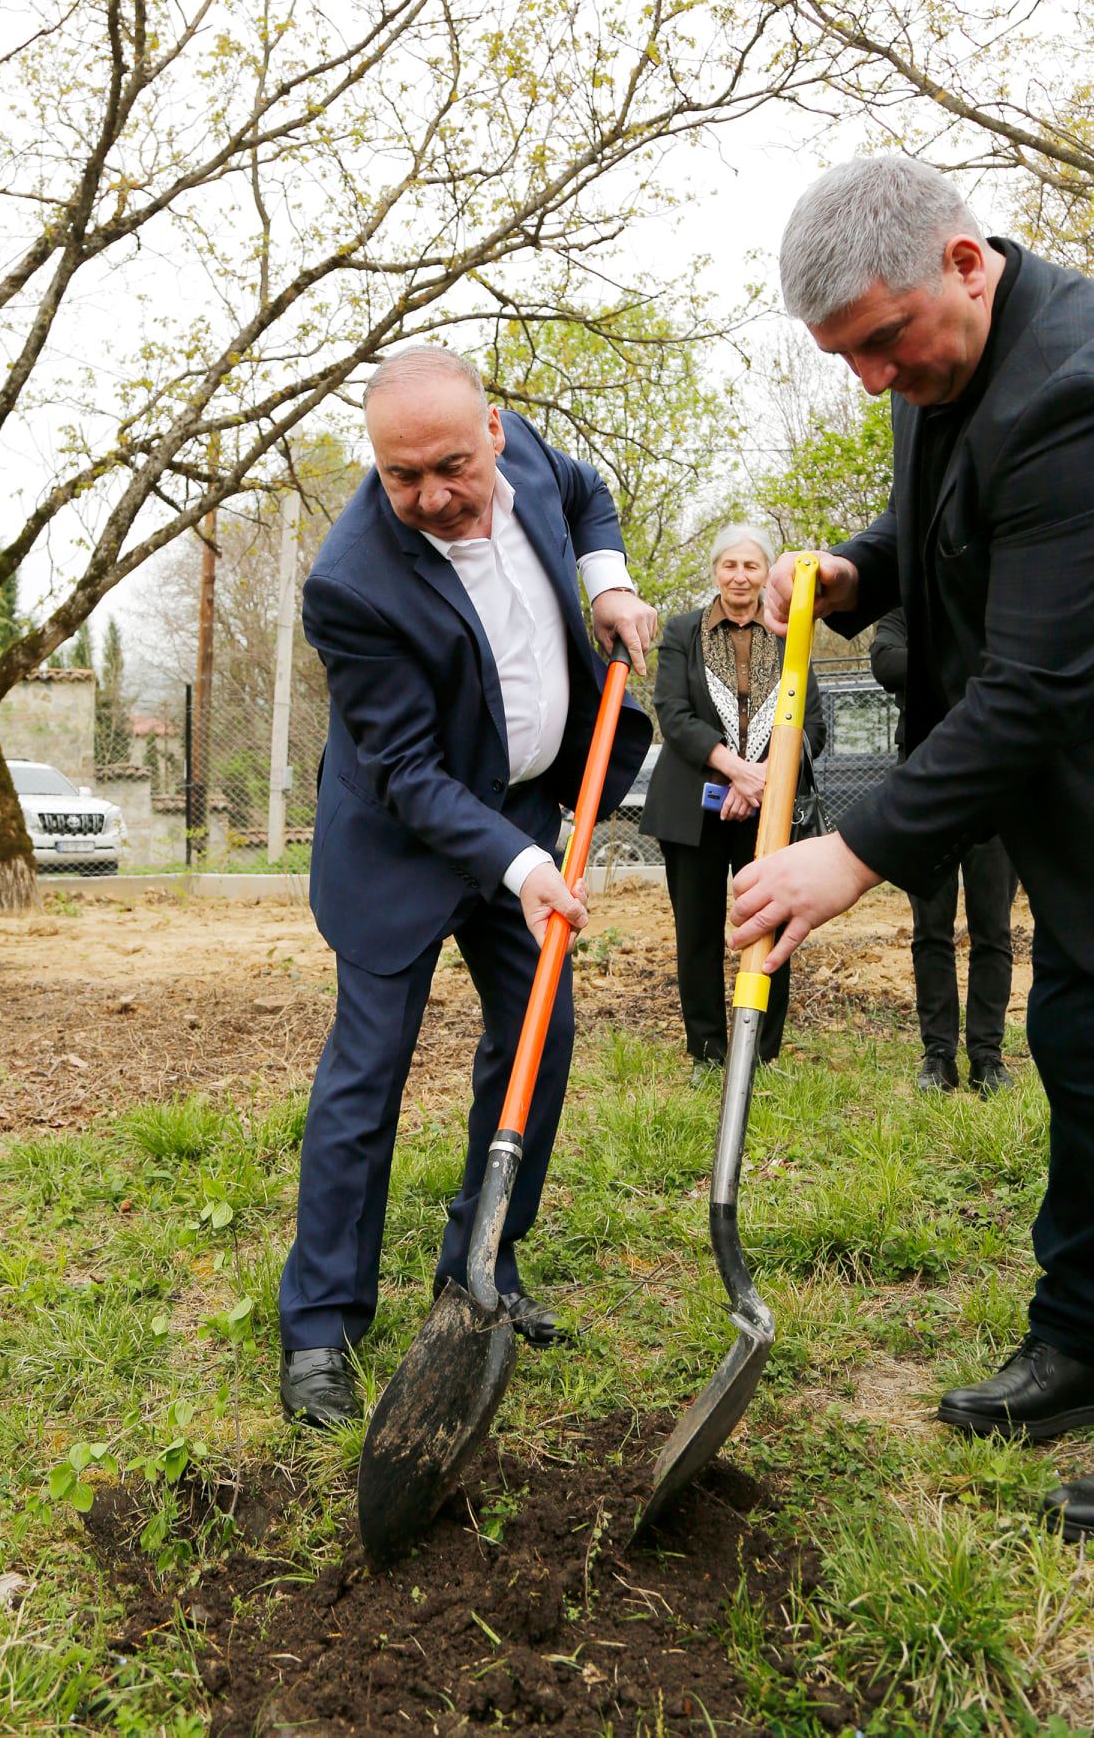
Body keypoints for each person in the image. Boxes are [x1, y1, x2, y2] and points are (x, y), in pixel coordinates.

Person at [727, 152, 1094, 1542]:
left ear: (964, 260)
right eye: (844, 358)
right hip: (1070, 824)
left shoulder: (1072, 390)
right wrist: (851, 571)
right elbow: (940, 519)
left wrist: (851, 852)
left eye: (881, 342)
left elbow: (1033, 687)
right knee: (1079, 1057)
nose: (871, 378)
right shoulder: (944, 362)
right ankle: (1078, 1340)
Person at [277, 346, 656, 1428]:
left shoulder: (529, 455)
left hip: (521, 810)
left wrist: (607, 580)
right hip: (399, 845)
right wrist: (525, 866)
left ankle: (482, 1261)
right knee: (367, 1074)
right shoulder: (351, 581)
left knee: (540, 1040)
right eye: (402, 476)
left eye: (452, 466)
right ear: (376, 463)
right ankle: (320, 1327)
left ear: (493, 433)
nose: (434, 495)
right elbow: (403, 770)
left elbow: (587, 493)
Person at [640, 525, 826, 1078]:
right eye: (730, 565)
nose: (739, 576)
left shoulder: (791, 632)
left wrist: (763, 779)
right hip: (692, 807)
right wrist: (737, 771)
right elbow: (673, 713)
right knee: (697, 933)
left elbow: (813, 724)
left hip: (769, 807)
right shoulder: (683, 631)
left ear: (766, 573)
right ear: (715, 570)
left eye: (751, 566)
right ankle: (706, 1052)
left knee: (769, 927)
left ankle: (762, 1052)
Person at [869, 607, 1017, 1097]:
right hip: (925, 784)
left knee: (992, 929)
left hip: (994, 783)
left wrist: (931, 667)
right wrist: (964, 661)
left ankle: (987, 1057)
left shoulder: (992, 599)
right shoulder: (905, 607)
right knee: (930, 930)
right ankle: (938, 1055)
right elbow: (884, 662)